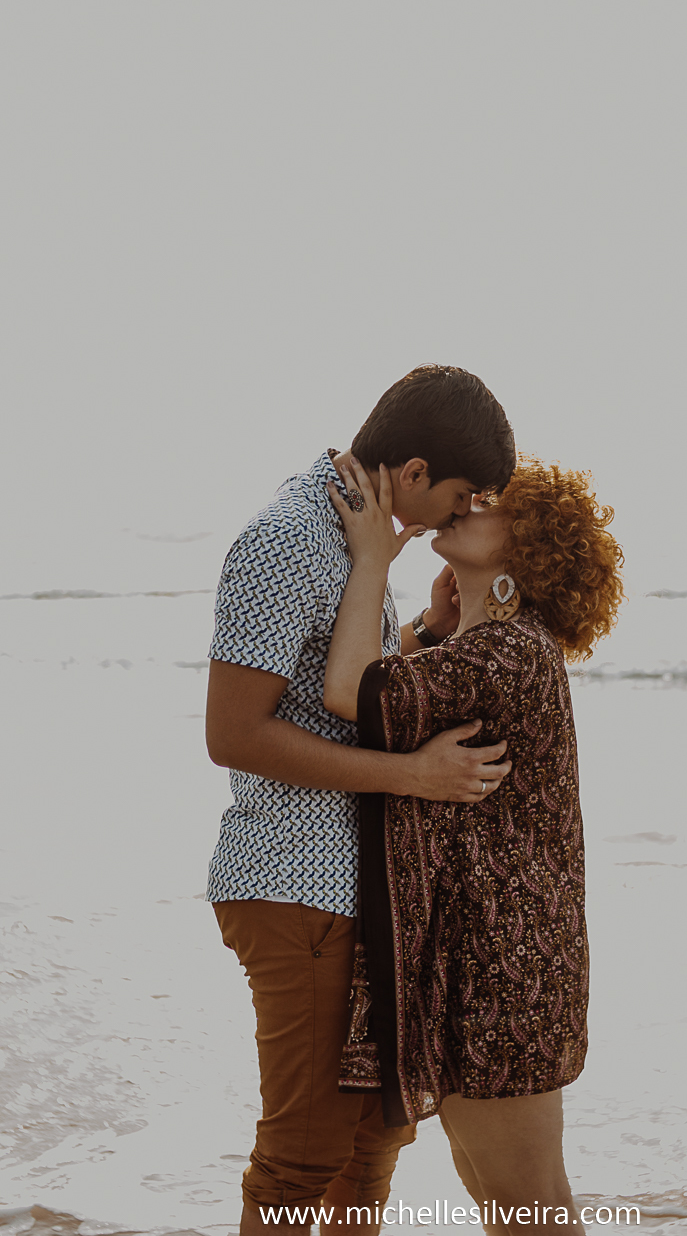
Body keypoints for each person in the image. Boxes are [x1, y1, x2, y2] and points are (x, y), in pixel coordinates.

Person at [205, 366, 516, 1236]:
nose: (462, 516)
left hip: (365, 890)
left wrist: (420, 635)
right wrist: (413, 776)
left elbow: (338, 693)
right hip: (296, 885)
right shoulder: (286, 541)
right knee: (302, 1158)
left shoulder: (364, 538)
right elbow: (235, 733)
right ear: (414, 473)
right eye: (460, 497)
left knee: (374, 1146)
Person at [323, 455, 624, 1235]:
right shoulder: (490, 650)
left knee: (531, 1217)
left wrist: (369, 559)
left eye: (495, 506)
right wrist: (429, 628)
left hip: (503, 985)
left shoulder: (508, 654)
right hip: (488, 976)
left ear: (526, 553)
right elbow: (396, 696)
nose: (470, 505)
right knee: (513, 1213)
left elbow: (352, 692)